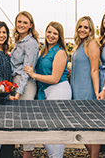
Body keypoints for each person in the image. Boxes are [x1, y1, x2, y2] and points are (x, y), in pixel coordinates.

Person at [24, 21, 71, 158]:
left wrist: (34, 75)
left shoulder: (60, 52)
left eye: (55, 33)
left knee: (55, 128)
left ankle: (56, 156)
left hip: (58, 89)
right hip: (46, 91)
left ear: (59, 36)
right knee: (44, 127)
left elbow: (55, 78)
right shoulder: (44, 51)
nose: (51, 35)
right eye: (49, 32)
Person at [9, 11, 40, 158]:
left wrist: (18, 92)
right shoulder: (19, 41)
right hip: (17, 84)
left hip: (25, 85)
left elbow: (27, 69)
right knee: (19, 120)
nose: (21, 25)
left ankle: (28, 155)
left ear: (30, 26)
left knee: (26, 120)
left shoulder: (31, 43)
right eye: (19, 22)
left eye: (25, 22)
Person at [70, 16, 101, 158]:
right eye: (80, 27)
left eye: (86, 27)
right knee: (80, 126)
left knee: (90, 126)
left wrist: (97, 92)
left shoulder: (92, 44)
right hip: (77, 89)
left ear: (90, 30)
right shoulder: (79, 45)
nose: (82, 30)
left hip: (87, 90)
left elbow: (95, 69)